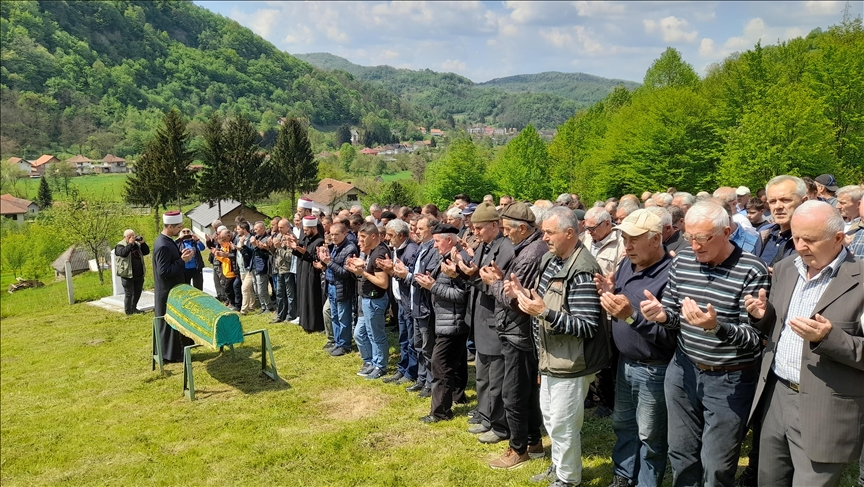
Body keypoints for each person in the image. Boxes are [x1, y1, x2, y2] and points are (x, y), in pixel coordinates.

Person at [640, 199, 770, 487]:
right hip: (683, 369)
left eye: (702, 238)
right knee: (681, 452)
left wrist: (716, 327)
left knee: (717, 462)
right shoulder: (683, 260)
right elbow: (674, 314)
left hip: (730, 377)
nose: (695, 245)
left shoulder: (752, 270)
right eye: (689, 237)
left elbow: (755, 340)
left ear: (726, 232)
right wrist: (662, 315)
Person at [745, 201, 864, 486]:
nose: (799, 246)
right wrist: (763, 317)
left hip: (826, 407)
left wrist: (828, 338)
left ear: (839, 238)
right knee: (769, 480)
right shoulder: (787, 268)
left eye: (809, 239)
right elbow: (781, 328)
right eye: (796, 237)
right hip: (777, 394)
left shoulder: (860, 280)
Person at [505, 206, 609, 487]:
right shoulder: (552, 260)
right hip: (550, 357)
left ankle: (568, 478)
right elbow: (547, 300)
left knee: (563, 424)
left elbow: (587, 325)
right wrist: (522, 294)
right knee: (551, 419)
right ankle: (559, 467)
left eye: (550, 232)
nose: (544, 238)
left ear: (570, 233)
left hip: (572, 362)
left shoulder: (582, 268)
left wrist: (543, 313)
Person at [596, 210, 676, 487]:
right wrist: (611, 287)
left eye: (633, 240)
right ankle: (624, 475)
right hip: (626, 362)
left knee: (650, 435)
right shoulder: (627, 264)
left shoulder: (671, 274)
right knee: (624, 424)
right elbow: (622, 296)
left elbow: (669, 336)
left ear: (655, 239)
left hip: (655, 369)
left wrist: (630, 315)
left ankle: (646, 482)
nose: (627, 245)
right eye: (625, 239)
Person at [481, 202, 548, 469]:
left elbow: (514, 299)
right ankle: (533, 442)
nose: (505, 233)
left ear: (523, 228)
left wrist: (494, 282)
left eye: (508, 228)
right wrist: (501, 279)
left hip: (518, 332)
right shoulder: (526, 248)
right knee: (525, 391)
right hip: (516, 330)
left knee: (514, 392)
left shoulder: (530, 254)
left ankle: (517, 448)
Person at [448, 202, 514, 445]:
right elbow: (477, 276)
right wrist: (464, 273)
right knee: (483, 374)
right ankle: (486, 415)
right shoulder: (486, 245)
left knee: (496, 377)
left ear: (495, 225)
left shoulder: (506, 249)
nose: (474, 232)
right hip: (480, 318)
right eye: (473, 228)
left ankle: (499, 424)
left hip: (494, 320)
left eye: (479, 228)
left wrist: (471, 275)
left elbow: (499, 287)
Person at [417, 223, 470, 423]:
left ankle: (440, 412)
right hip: (447, 320)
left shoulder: (458, 260)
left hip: (452, 323)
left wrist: (433, 287)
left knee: (440, 366)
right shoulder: (447, 257)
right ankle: (457, 396)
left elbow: (462, 294)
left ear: (449, 240)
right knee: (452, 363)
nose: (434, 245)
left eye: (437, 241)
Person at [393, 215, 441, 397]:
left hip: (426, 306)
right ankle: (422, 379)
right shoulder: (422, 247)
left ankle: (430, 383)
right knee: (418, 345)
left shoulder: (433, 250)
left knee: (428, 348)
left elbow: (425, 279)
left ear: (431, 229)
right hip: (416, 304)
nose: (416, 231)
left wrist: (406, 275)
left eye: (421, 229)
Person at [346, 223, 391, 380]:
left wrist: (362, 272)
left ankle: (380, 366)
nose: (360, 241)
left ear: (373, 236)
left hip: (375, 300)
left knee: (376, 335)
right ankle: (370, 362)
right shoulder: (372, 251)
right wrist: (360, 266)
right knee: (359, 333)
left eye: (363, 237)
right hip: (365, 298)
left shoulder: (380, 253)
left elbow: (383, 283)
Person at [377, 219, 420, 384]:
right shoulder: (397, 249)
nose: (387, 239)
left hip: (409, 301)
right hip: (400, 300)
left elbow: (412, 279)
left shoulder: (411, 251)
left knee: (411, 339)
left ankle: (411, 372)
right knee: (403, 338)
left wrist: (392, 271)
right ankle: (402, 369)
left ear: (401, 235)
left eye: (390, 235)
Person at [153, 211, 195, 363]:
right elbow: (164, 271)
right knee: (168, 324)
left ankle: (176, 352)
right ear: (169, 226)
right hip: (167, 291)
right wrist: (182, 261)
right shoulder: (163, 245)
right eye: (178, 227)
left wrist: (181, 256)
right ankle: (169, 355)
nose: (181, 229)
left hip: (173, 289)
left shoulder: (168, 240)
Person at [317, 222, 358, 357]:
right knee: (334, 315)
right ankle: (338, 341)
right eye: (331, 234)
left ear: (344, 234)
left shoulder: (350, 249)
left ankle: (345, 344)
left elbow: (345, 273)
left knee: (343, 317)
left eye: (336, 234)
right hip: (332, 285)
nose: (333, 237)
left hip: (343, 288)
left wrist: (329, 263)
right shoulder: (334, 247)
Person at [759, 175, 808, 267]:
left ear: (804, 201)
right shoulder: (764, 234)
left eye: (785, 200)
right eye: (772, 201)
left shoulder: (813, 240)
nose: (777, 206)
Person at [290, 215, 326, 333]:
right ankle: (305, 322)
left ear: (313, 229)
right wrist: (295, 247)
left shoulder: (319, 241)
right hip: (305, 271)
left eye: (306, 230)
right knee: (304, 296)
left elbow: (316, 258)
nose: (304, 232)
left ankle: (314, 324)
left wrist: (305, 253)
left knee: (312, 298)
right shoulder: (306, 238)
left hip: (313, 274)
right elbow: (302, 253)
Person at [115, 229, 150, 315]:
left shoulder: (137, 245)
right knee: (129, 294)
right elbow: (123, 253)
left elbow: (146, 252)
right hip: (127, 274)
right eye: (129, 237)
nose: (132, 238)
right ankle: (128, 312)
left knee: (138, 292)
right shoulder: (120, 245)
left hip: (139, 274)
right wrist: (130, 244)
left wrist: (142, 243)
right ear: (125, 237)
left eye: (133, 236)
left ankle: (134, 308)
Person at [270, 219, 297, 323]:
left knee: (290, 295)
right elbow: (275, 253)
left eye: (282, 227)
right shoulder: (279, 236)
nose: (279, 229)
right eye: (279, 227)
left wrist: (279, 247)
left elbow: (290, 257)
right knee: (280, 294)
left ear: (288, 227)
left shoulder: (291, 238)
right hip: (279, 269)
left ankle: (291, 315)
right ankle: (280, 315)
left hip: (288, 270)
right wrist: (271, 247)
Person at [249, 222, 273, 313]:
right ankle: (263, 306)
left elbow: (265, 254)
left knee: (261, 290)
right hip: (254, 265)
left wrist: (256, 246)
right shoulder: (256, 238)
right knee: (256, 288)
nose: (254, 231)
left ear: (262, 229)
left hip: (262, 266)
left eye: (256, 229)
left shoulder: (266, 239)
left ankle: (268, 306)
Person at [212, 229, 239, 311]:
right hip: (226, 272)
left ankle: (233, 303)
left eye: (222, 241)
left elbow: (228, 259)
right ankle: (231, 303)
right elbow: (223, 260)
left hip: (231, 272)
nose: (220, 244)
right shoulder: (223, 247)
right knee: (228, 288)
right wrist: (218, 255)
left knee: (228, 289)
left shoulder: (229, 246)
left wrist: (221, 255)